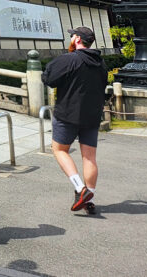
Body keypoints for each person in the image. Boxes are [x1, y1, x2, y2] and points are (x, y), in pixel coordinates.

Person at [42, 26, 108, 214]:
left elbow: (49, 79)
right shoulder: (100, 63)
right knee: (89, 157)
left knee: (59, 150)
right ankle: (89, 198)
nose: (71, 38)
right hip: (92, 115)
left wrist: (67, 55)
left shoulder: (69, 59)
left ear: (77, 39)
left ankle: (80, 188)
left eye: (72, 36)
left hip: (68, 114)